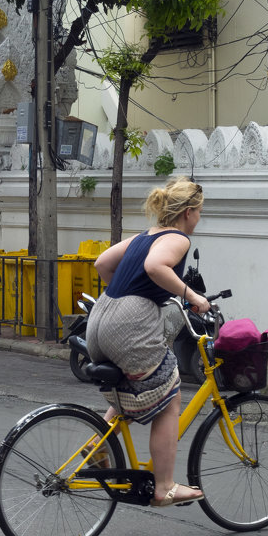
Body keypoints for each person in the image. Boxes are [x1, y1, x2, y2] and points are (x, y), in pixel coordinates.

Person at [86, 177, 210, 506]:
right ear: (188, 212)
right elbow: (156, 266)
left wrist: (132, 294)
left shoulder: (145, 235)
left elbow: (102, 264)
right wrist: (192, 295)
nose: (199, 218)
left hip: (100, 317)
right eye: (199, 212)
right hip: (128, 325)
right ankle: (165, 486)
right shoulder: (178, 239)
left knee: (136, 384)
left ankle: (96, 444)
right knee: (169, 395)